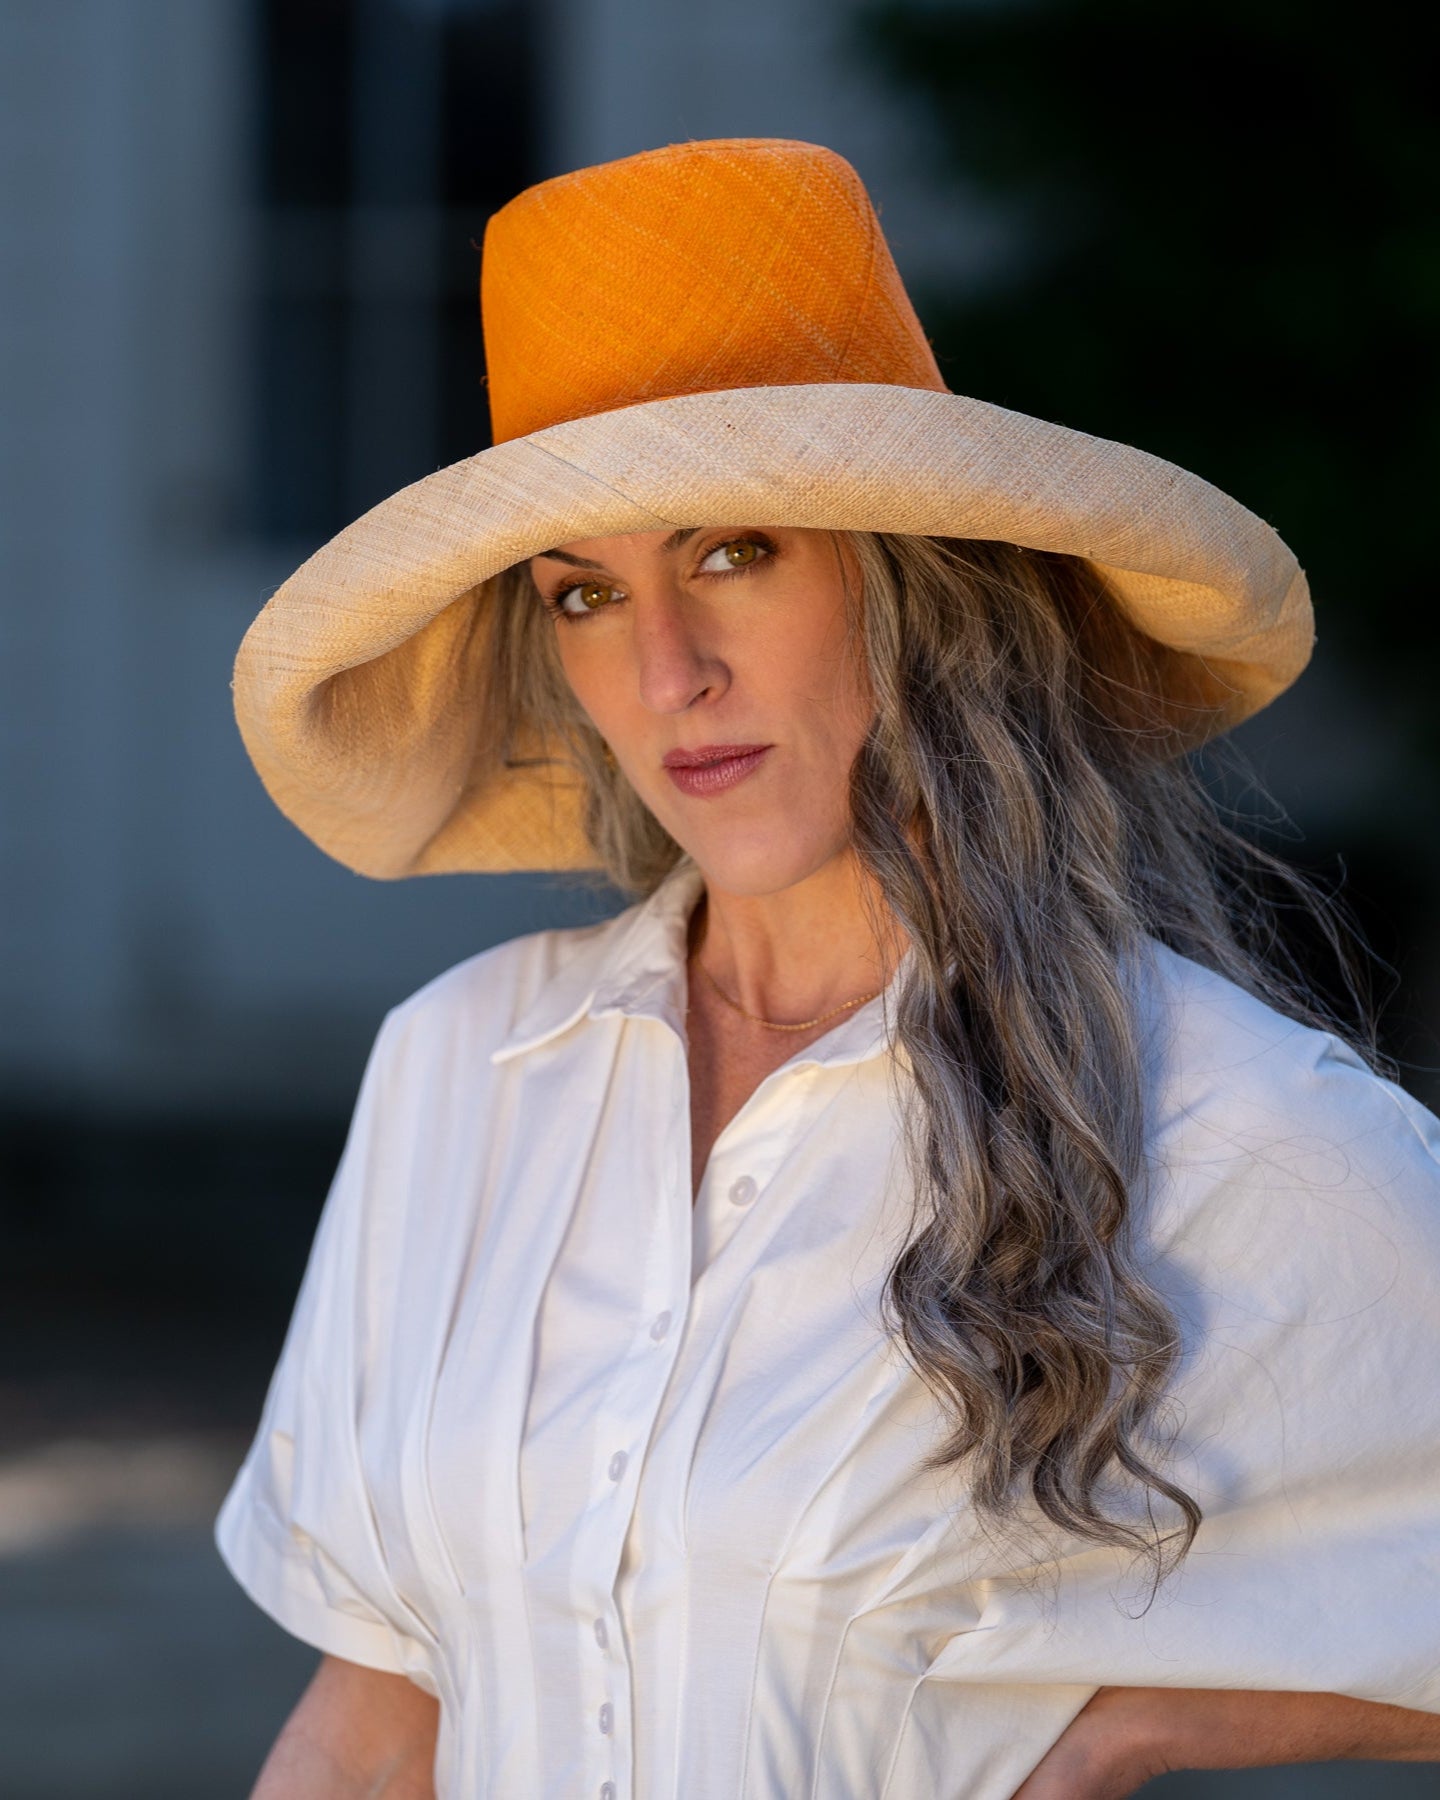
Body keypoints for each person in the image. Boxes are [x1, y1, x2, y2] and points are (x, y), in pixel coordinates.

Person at [214, 138, 1440, 1799]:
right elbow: (378, 1712)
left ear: (914, 583)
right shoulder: (461, 1066)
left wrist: (1151, 1719)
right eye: (585, 593)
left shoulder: (1223, 1124)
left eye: (736, 553)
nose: (665, 672)